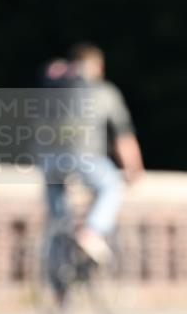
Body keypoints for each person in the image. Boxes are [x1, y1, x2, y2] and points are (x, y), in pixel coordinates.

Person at [36, 43, 145, 263]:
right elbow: (123, 137)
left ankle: (60, 261)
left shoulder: (56, 87)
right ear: (97, 66)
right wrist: (134, 169)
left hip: (50, 161)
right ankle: (92, 231)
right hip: (86, 158)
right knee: (111, 185)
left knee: (59, 215)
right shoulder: (104, 92)